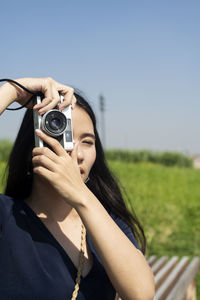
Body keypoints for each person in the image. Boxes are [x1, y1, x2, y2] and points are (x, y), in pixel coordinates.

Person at [0, 78, 155, 300]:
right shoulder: (7, 217)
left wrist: (81, 196)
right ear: (32, 145)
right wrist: (12, 91)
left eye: (88, 142)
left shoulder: (107, 223)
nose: (77, 153)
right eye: (62, 135)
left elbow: (141, 293)